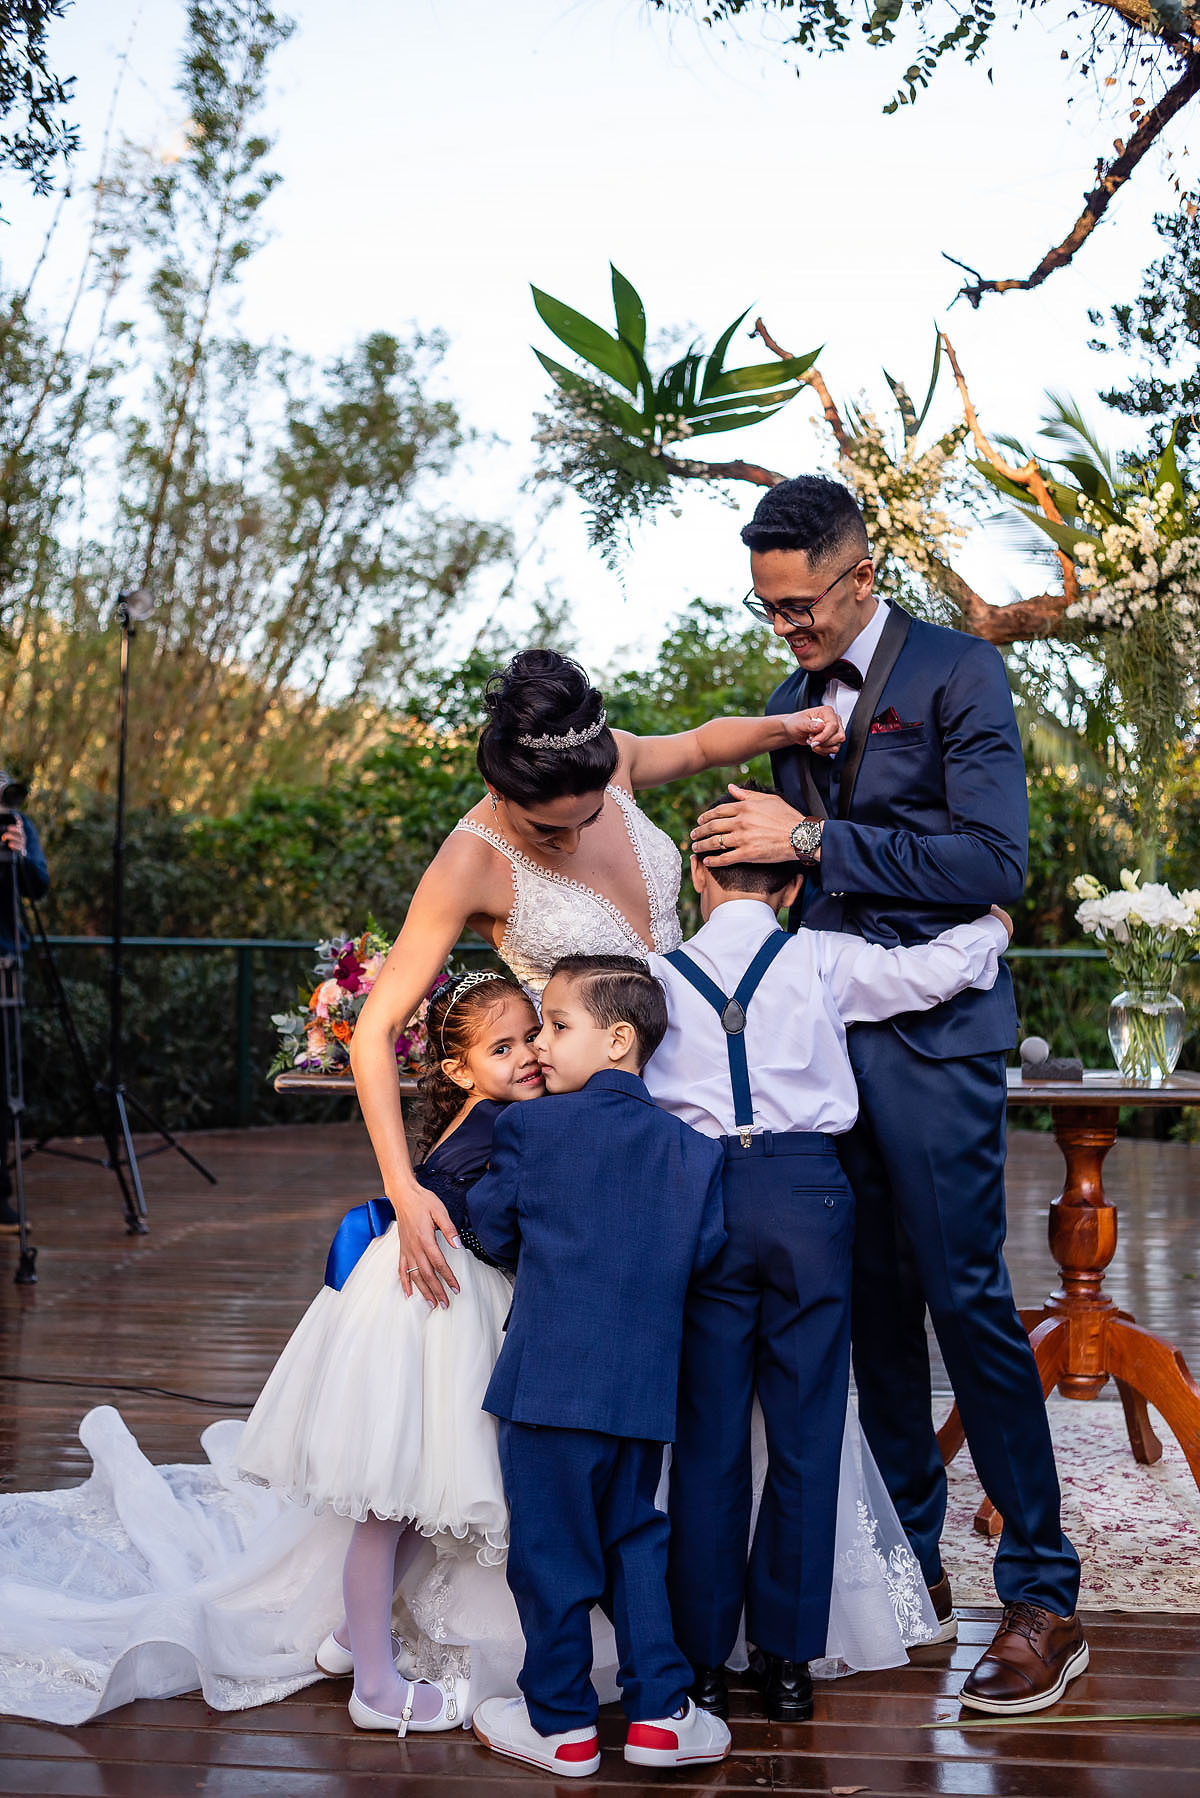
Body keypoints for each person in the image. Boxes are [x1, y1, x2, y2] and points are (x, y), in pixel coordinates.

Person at [691, 475, 1085, 1716]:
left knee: (965, 1298)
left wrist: (809, 841)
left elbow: (992, 861)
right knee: (868, 1313)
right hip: (822, 1046)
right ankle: (911, 1569)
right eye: (769, 611)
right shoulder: (780, 703)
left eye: (801, 606)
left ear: (861, 575)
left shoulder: (963, 673)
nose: (787, 632)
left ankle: (1041, 1589)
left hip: (937, 1038)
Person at [349, 646, 843, 1311]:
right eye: (548, 830)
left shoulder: (608, 763)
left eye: (587, 819)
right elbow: (373, 1032)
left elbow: (700, 746)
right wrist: (404, 1191)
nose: (575, 842)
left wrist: (789, 727)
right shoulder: (467, 863)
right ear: (499, 793)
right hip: (597, 1135)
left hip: (702, 1094)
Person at [644, 840, 1011, 1722]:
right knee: (807, 1430)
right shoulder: (820, 954)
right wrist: (991, 928)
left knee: (709, 1437)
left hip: (699, 1197)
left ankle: (698, 1667)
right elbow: (926, 976)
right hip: (809, 1194)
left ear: (698, 877)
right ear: (797, 884)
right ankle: (787, 1664)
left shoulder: (652, 976)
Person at [235, 971, 545, 1736]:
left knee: (418, 1498)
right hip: (429, 1311)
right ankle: (373, 1686)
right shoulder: (505, 1123)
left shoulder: (487, 1114)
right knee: (387, 1507)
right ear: (457, 1071)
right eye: (502, 1048)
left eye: (533, 1038)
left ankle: (350, 1638)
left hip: (437, 1301)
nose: (528, 1057)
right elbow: (501, 1226)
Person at [470, 956, 731, 1778]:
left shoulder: (531, 1129)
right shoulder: (694, 1153)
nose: (541, 1043)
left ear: (619, 1040)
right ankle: (659, 1714)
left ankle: (563, 1725)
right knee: (634, 1541)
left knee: (550, 1555)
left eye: (556, 1024)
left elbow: (493, 1228)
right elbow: (706, 1254)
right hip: (642, 1388)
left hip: (547, 1384)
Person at [0, 782, 49, 1233]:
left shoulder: (17, 825)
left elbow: (40, 886)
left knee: (4, 1082)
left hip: (5, 962)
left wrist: (17, 852)